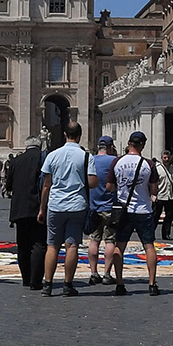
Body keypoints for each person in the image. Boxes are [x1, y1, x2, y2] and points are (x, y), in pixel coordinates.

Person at [38, 119, 95, 296]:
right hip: (77, 205)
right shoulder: (86, 156)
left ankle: (47, 284)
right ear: (80, 135)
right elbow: (92, 183)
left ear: (64, 135)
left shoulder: (52, 155)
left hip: (55, 205)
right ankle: (67, 285)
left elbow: (46, 185)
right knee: (72, 246)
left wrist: (42, 208)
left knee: (52, 246)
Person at [106, 130, 161, 295]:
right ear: (142, 145)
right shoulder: (148, 164)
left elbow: (109, 187)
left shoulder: (117, 162)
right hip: (143, 209)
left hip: (123, 211)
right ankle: (152, 284)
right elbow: (154, 189)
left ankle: (120, 284)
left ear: (129, 144)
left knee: (119, 246)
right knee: (149, 245)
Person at [7, 132, 47, 289]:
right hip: (37, 207)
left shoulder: (16, 161)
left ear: (25, 146)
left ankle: (26, 278)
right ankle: (35, 281)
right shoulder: (43, 158)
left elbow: (9, 184)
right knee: (38, 243)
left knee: (23, 244)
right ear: (39, 146)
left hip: (19, 208)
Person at [84, 135, 118, 284]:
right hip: (110, 206)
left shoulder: (90, 160)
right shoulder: (114, 161)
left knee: (94, 240)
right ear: (111, 147)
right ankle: (107, 274)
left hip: (93, 206)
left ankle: (93, 273)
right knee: (110, 240)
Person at [153, 149, 173, 239]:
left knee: (169, 216)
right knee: (155, 216)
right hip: (160, 196)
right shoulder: (157, 168)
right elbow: (153, 183)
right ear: (161, 158)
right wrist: (153, 194)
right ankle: (150, 233)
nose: (166, 159)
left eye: (168, 157)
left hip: (170, 196)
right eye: (165, 157)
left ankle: (166, 234)